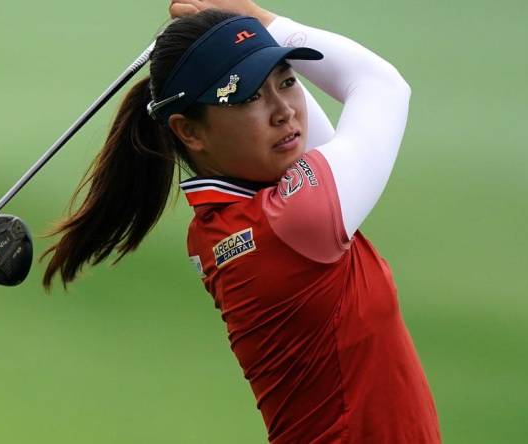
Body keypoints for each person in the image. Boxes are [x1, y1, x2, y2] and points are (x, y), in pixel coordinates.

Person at [42, 0, 441, 442]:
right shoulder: (295, 220)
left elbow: (309, 135)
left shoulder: (224, 222)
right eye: (248, 95)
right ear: (189, 131)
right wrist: (263, 18)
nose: (284, 111)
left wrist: (244, 32)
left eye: (286, 81)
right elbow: (382, 86)